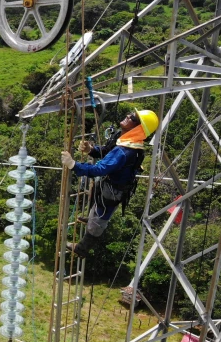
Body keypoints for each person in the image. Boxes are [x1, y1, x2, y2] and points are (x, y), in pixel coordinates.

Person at [60, 108, 159, 258]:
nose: (128, 116)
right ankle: (92, 219)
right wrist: (91, 150)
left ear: (138, 127)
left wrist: (74, 165)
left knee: (101, 216)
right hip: (113, 185)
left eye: (132, 117)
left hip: (114, 190)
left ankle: (81, 248)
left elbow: (100, 169)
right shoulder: (128, 140)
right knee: (98, 203)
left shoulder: (125, 151)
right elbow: (107, 151)